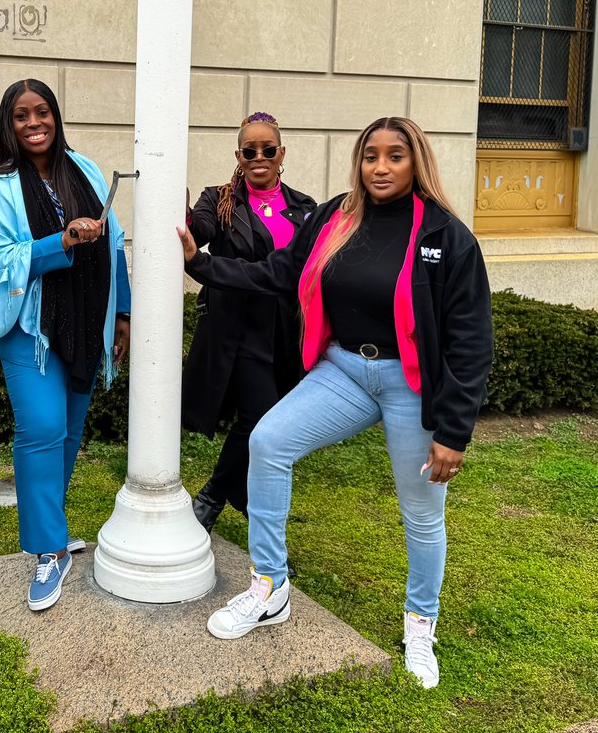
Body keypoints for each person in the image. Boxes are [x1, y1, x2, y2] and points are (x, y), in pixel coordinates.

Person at [177, 116, 492, 689]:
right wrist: (201, 264)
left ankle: (421, 622)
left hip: (409, 382)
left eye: (395, 156)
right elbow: (279, 271)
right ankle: (269, 586)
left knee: (421, 510)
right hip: (344, 369)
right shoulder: (334, 217)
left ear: (415, 161)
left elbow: (471, 340)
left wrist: (454, 431)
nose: (380, 166)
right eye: (371, 154)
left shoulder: (446, 237)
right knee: (268, 442)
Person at [0, 78, 131, 612]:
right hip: (29, 329)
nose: (34, 123)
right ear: (7, 125)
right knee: (40, 429)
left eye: (43, 112)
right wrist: (58, 242)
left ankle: (53, 531)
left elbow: (115, 241)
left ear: (56, 117)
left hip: (86, 321)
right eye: (22, 115)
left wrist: (123, 312)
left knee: (69, 431)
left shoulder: (83, 169)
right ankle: (47, 548)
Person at [183, 112, 315, 532]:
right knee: (259, 417)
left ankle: (238, 495)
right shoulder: (220, 200)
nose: (260, 157)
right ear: (238, 156)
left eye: (268, 149)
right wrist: (181, 213)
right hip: (237, 328)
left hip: (286, 330)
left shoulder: (304, 208)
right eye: (250, 150)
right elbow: (197, 229)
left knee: (273, 423)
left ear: (281, 154)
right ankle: (212, 498)